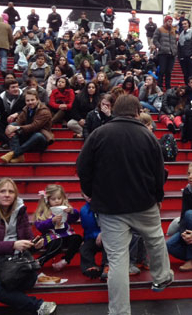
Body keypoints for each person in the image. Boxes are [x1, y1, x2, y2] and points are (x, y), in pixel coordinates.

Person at [77, 95, 174, 315]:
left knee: (117, 260)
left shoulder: (98, 134)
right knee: (156, 239)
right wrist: (158, 196)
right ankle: (162, 277)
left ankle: (119, 312)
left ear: (114, 111)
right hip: (144, 203)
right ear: (137, 112)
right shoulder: (147, 136)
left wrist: (91, 193)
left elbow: (82, 167)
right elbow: (159, 172)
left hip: (110, 208)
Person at [0, 178, 57, 315]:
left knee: (30, 279)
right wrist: (13, 245)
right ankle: (37, 306)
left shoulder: (20, 212)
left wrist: (35, 245)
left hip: (13, 265)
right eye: (3, 191)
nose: (7, 194)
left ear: (15, 195)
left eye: (11, 191)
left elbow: (27, 238)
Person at [34, 184, 82, 270]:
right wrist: (51, 221)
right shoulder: (45, 212)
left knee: (77, 238)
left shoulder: (65, 209)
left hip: (66, 235)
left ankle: (65, 260)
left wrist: (72, 211)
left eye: (59, 198)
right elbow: (39, 226)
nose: (57, 201)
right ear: (47, 200)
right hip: (52, 237)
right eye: (53, 199)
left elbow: (75, 218)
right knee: (56, 244)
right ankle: (40, 260)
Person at [0, 89, 53, 163]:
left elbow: (34, 126)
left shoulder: (44, 111)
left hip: (40, 141)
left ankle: (14, 153)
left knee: (38, 135)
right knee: (12, 125)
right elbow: (18, 121)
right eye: (28, 100)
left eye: (32, 100)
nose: (30, 102)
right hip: (28, 137)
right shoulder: (26, 109)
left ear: (37, 100)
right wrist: (9, 128)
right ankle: (19, 156)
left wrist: (17, 128)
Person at [0, 78, 26, 149]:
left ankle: (8, 143)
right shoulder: (1, 97)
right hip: (5, 122)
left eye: (17, 86)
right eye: (13, 87)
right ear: (7, 89)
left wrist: (17, 113)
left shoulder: (24, 96)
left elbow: (28, 110)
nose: (16, 89)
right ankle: (6, 142)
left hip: (20, 122)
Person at [152, 16, 178, 90]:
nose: (170, 23)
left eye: (171, 21)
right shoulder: (159, 29)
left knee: (169, 71)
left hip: (172, 53)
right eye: (169, 21)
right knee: (162, 70)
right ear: (165, 21)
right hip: (163, 53)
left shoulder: (173, 30)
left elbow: (175, 42)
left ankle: (168, 86)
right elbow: (155, 40)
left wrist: (175, 50)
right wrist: (160, 47)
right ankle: (160, 85)